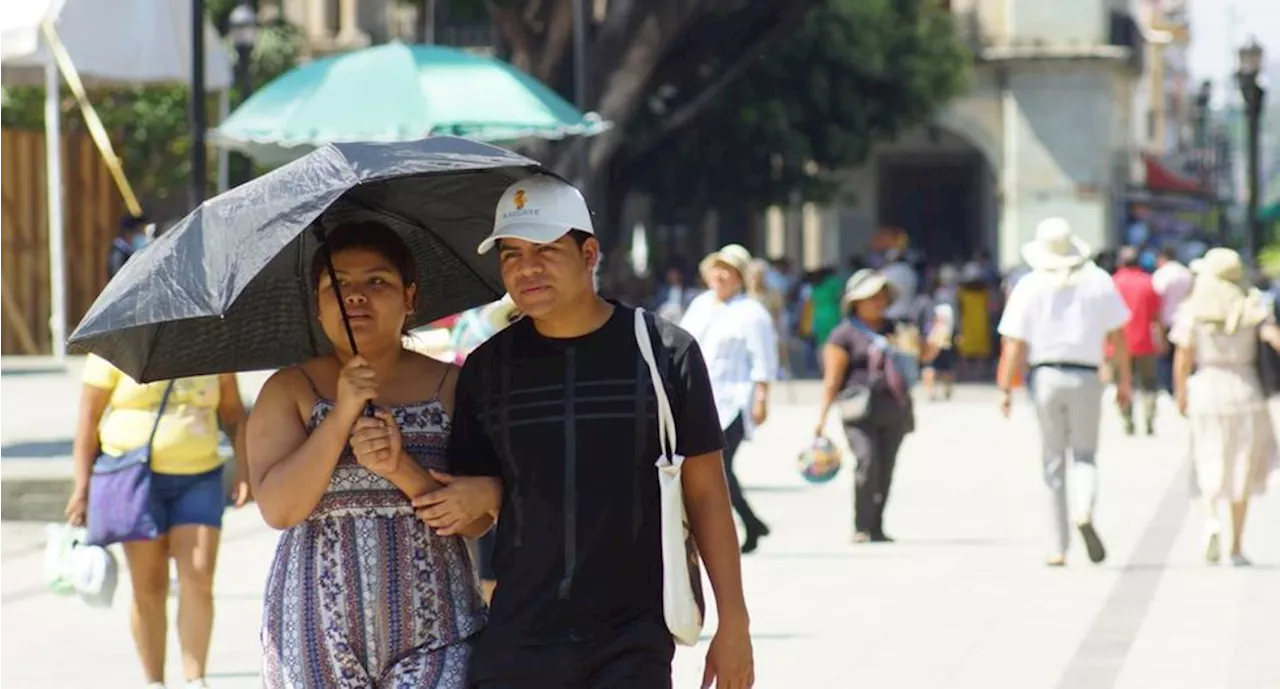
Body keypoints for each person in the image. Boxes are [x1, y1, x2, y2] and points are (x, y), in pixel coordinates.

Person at [423, 174, 754, 689]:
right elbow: (471, 516)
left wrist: (735, 622)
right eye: (510, 254)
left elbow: (708, 494)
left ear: (589, 252)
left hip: (631, 642)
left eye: (545, 250)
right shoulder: (488, 369)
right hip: (516, 640)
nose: (525, 268)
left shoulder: (664, 353)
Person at [245, 222, 494, 688]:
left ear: (410, 297)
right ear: (319, 305)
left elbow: (479, 520)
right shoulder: (289, 390)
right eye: (338, 285)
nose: (356, 296)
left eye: (377, 282)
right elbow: (280, 508)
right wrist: (340, 416)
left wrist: (398, 467)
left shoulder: (455, 388)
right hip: (312, 631)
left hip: (438, 629)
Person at [67, 356, 250, 689]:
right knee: (148, 584)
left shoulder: (212, 342)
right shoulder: (115, 347)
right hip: (135, 479)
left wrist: (246, 467)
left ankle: (196, 679)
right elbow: (87, 422)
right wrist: (81, 488)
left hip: (201, 475)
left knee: (199, 575)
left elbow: (234, 413)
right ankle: (155, 681)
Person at [996, 218, 1132, 567]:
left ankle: (1058, 547)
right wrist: (1125, 382)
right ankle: (1084, 509)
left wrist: (1005, 387)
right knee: (1085, 455)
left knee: (1053, 462)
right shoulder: (1098, 282)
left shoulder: (1030, 285)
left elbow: (1013, 343)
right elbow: (1119, 339)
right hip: (1088, 375)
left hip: (1046, 377)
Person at [1171, 248, 1280, 566]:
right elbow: (1273, 338)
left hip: (1207, 387)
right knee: (1242, 466)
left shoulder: (1194, 309)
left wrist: (1180, 392)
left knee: (1209, 455)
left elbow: (1183, 355)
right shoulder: (1251, 306)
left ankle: (1210, 519)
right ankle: (1236, 547)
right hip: (1246, 389)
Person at [682, 247, 779, 554]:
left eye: (729, 271)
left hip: (733, 400)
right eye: (717, 269)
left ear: (740, 278)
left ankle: (744, 523)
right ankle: (751, 522)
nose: (721, 276)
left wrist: (762, 397)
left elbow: (763, 358)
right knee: (706, 468)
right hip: (698, 397)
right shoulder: (699, 305)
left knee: (719, 466)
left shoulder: (751, 313)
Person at [814, 269, 915, 543]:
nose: (878, 302)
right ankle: (861, 524)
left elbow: (919, 354)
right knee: (867, 462)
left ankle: (878, 526)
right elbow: (832, 379)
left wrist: (936, 334)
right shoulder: (843, 335)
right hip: (857, 411)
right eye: (872, 297)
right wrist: (821, 418)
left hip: (894, 408)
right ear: (856, 301)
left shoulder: (896, 328)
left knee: (886, 468)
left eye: (882, 296)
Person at [1109, 246, 1164, 435]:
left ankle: (1128, 421)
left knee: (1122, 382)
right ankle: (1149, 420)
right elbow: (1156, 316)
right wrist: (1162, 339)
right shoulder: (1147, 282)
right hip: (1144, 341)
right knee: (1149, 383)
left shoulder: (1113, 283)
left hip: (1118, 344)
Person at [1152, 246, 1194, 392]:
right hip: (1185, 319)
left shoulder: (1161, 274)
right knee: (1184, 357)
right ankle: (1182, 387)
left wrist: (1157, 330)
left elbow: (1157, 301)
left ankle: (1171, 389)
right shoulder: (1186, 273)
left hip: (1166, 320)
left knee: (1166, 359)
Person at [108, 214, 151, 279]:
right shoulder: (118, 255)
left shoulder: (131, 252)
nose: (143, 235)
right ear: (128, 233)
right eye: (140, 232)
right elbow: (118, 279)